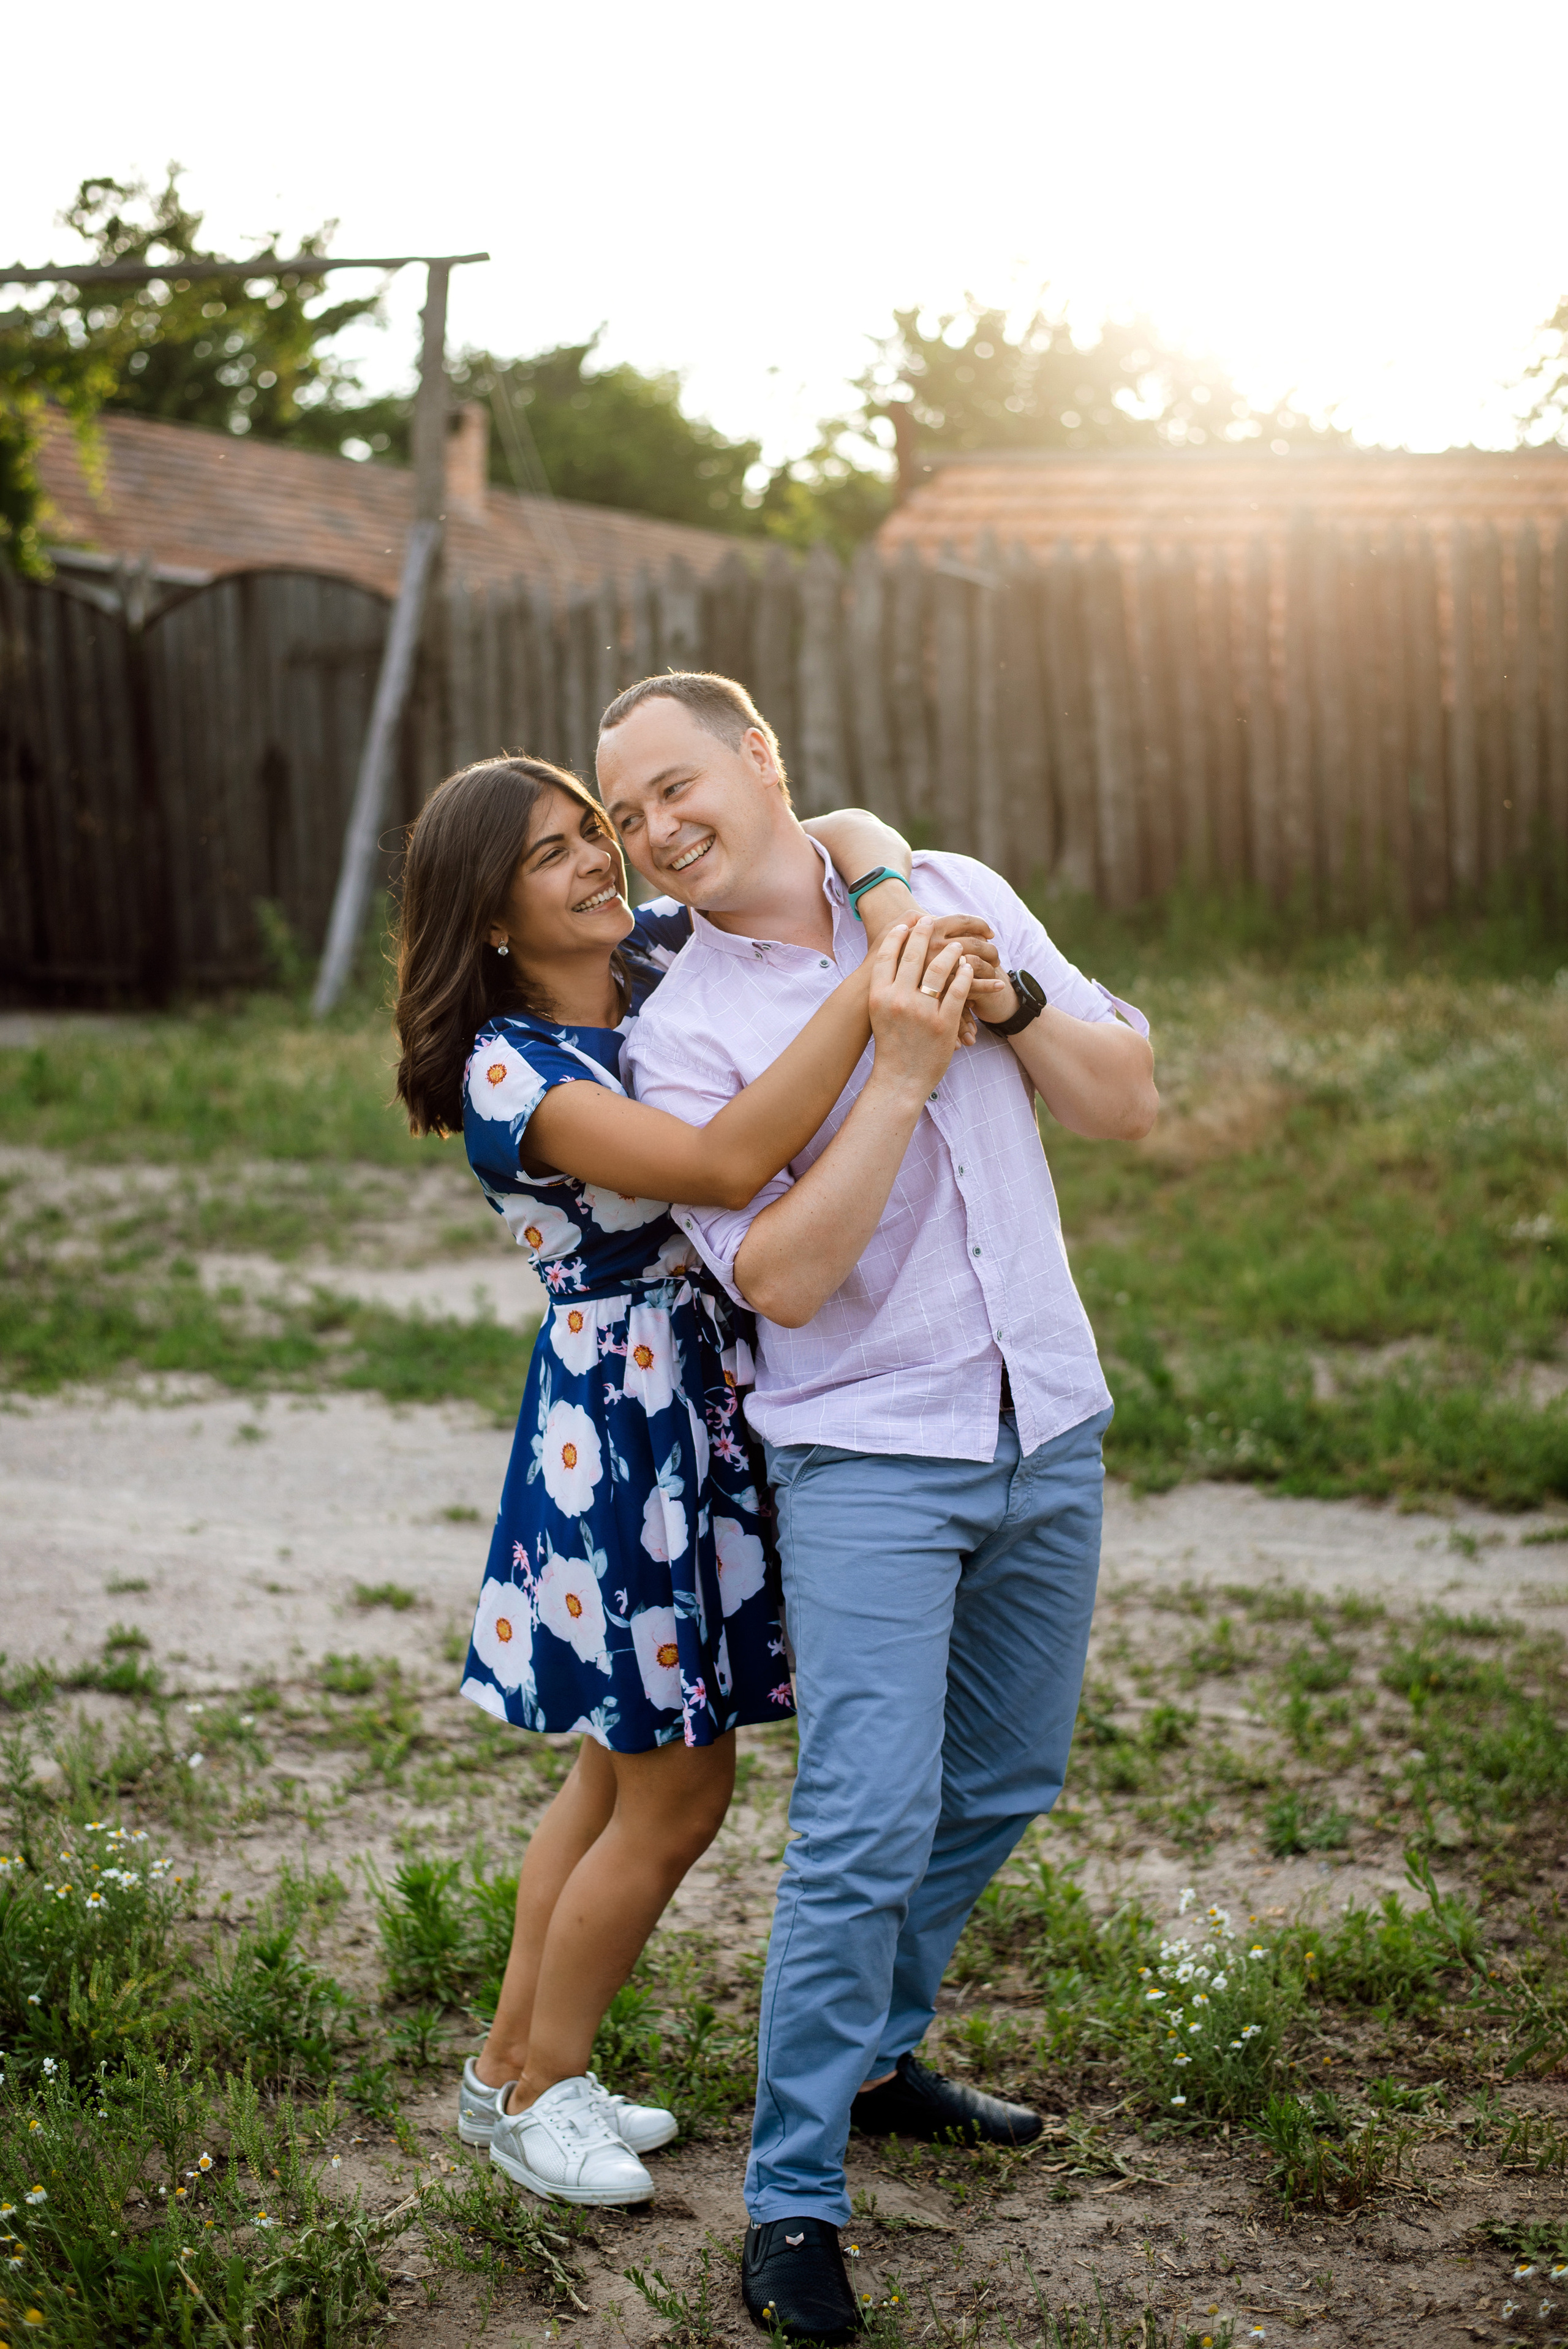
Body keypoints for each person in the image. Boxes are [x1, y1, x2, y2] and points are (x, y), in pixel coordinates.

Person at [600, 674, 1159, 2342]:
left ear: (760, 759)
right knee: (860, 1824)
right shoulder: (682, 1033)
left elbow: (1124, 1100)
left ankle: (877, 2054)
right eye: (626, 815)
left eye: (677, 785)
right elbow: (779, 1277)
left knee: (1002, 1777)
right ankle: (792, 2198)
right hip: (865, 1456)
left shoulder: (949, 888)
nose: (656, 831)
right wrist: (901, 1068)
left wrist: (1009, 1004)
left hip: (1045, 1415)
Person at [391, 752, 992, 2214]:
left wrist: (881, 886)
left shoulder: (655, 956)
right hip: (628, 1429)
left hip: (702, 1401)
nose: (599, 860)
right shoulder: (512, 1071)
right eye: (551, 855)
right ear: (489, 915)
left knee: (611, 1774)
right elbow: (721, 1164)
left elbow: (833, 825)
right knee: (675, 1793)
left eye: (590, 831)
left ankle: (503, 2069)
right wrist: (878, 995)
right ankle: (543, 2096)